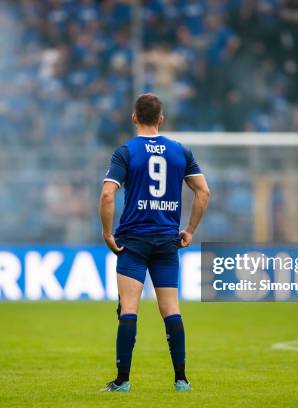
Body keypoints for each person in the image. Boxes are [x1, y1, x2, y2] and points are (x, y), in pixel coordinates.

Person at [98, 93, 210, 392]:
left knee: (129, 309)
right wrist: (189, 229)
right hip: (165, 241)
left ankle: (122, 381)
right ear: (161, 119)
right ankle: (181, 379)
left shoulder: (125, 152)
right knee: (171, 309)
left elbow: (108, 194)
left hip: (133, 240)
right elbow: (203, 192)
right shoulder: (180, 151)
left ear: (134, 117)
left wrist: (108, 233)